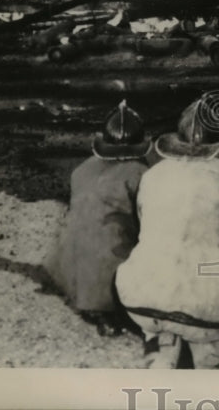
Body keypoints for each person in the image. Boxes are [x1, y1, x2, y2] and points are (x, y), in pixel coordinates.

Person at [115, 94, 219, 369]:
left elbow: (147, 231)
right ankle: (210, 351)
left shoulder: (153, 175)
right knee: (217, 340)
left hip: (136, 300)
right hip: (204, 311)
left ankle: (164, 343)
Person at [44, 99, 152, 337]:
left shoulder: (81, 170)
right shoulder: (140, 174)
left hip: (75, 276)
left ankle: (100, 310)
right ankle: (118, 309)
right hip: (115, 281)